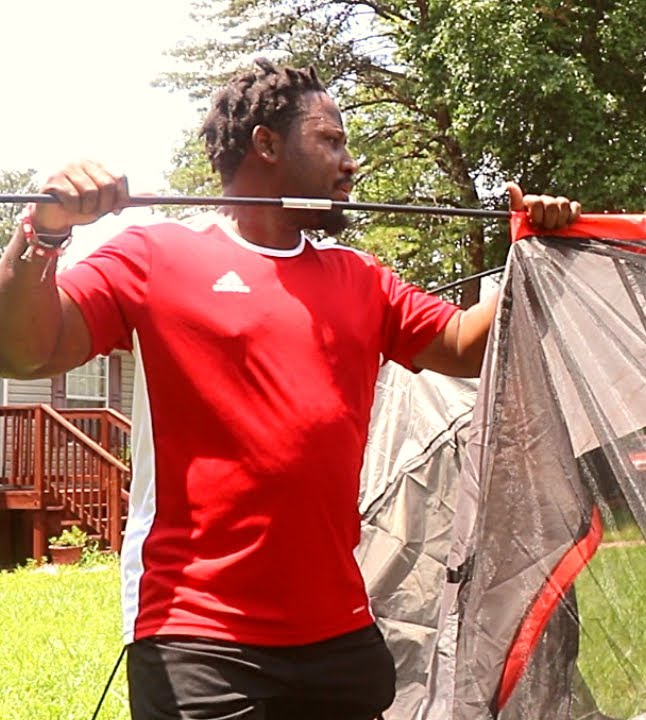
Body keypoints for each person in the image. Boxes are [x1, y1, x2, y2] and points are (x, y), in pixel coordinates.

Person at [0, 59, 579, 720]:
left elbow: (465, 347)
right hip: (199, 633)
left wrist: (537, 256)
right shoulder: (155, 255)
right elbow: (22, 350)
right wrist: (44, 234)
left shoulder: (360, 278)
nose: (349, 160)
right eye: (330, 141)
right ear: (266, 145)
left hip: (338, 635)